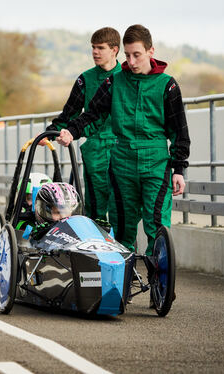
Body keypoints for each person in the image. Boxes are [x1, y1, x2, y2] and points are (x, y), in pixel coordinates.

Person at [51, 24, 190, 256]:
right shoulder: (114, 82)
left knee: (156, 225)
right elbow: (92, 115)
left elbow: (179, 132)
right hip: (122, 162)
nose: (132, 62)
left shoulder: (168, 85)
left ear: (150, 51)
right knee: (122, 228)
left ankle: (160, 282)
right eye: (127, 55)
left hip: (156, 161)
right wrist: (71, 132)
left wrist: (179, 168)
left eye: (137, 55)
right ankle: (123, 282)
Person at [49, 27, 122, 222]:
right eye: (93, 47)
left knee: (122, 205)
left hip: (122, 147)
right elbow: (69, 112)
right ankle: (96, 249)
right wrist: (51, 132)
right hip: (95, 148)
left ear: (114, 49)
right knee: (95, 206)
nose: (95, 52)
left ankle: (123, 248)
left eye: (100, 48)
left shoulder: (126, 77)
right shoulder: (85, 79)